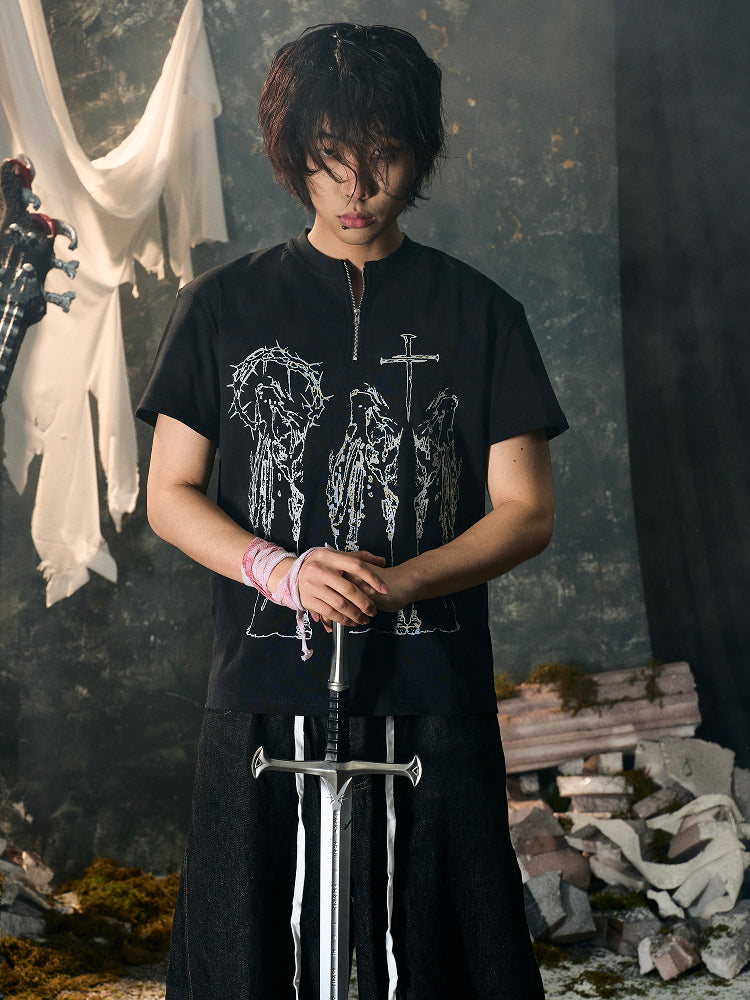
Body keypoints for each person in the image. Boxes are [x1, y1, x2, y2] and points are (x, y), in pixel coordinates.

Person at [138, 21, 567, 1000]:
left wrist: (398, 582)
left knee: (441, 959)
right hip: (262, 680)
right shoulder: (219, 307)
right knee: (253, 955)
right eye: (330, 156)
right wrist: (280, 571)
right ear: (294, 156)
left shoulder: (481, 314)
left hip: (432, 683)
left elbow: (526, 509)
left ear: (420, 152)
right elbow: (168, 491)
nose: (358, 187)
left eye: (385, 155)